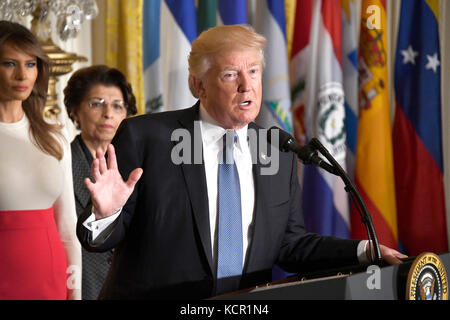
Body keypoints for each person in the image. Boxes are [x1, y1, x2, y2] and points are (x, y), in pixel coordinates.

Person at [76, 25, 406, 299]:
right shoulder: (146, 137)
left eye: (253, 71)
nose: (247, 86)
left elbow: (290, 245)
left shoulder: (277, 149)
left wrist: (366, 251)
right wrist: (106, 215)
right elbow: (99, 240)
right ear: (198, 85)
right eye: (231, 74)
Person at [0, 21, 81, 300]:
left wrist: (76, 291)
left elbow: (68, 225)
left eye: (31, 64)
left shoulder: (54, 134)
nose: (22, 74)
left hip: (51, 277)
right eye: (10, 63)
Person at [64, 65, 137, 299]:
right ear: (75, 111)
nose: (108, 113)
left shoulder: (137, 167)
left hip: (131, 287)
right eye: (96, 103)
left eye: (117, 106)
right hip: (81, 283)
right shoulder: (61, 161)